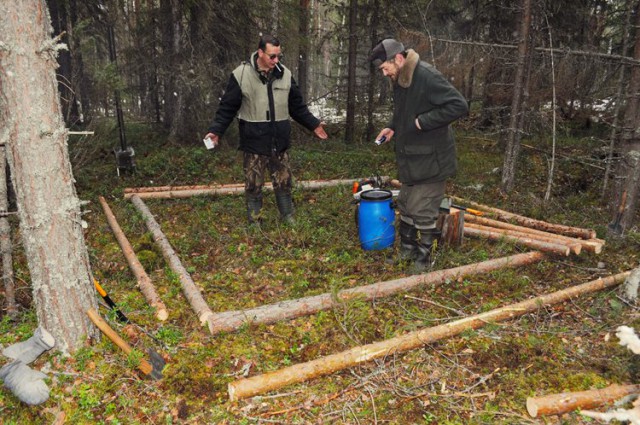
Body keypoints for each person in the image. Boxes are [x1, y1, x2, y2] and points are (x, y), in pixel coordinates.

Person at [204, 34, 328, 225]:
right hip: (254, 139)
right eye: (272, 56)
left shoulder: (284, 74)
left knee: (284, 181)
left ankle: (287, 216)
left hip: (279, 139)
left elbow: (297, 106)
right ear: (260, 52)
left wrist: (313, 124)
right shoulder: (241, 75)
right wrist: (216, 130)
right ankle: (255, 221)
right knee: (253, 185)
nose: (276, 60)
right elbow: (227, 107)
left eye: (278, 56)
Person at [369, 38, 468, 272]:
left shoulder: (425, 76)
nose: (384, 73)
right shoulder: (401, 78)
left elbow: (459, 105)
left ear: (399, 59)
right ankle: (408, 251)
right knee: (406, 204)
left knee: (423, 210)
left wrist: (423, 122)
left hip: (431, 160)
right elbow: (404, 110)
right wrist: (393, 126)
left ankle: (424, 261)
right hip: (411, 157)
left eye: (385, 68)